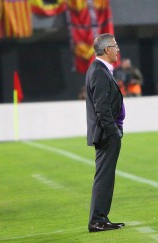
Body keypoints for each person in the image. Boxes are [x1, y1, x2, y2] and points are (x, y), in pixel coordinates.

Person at [85, 34, 125, 232]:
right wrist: (113, 132)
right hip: (106, 134)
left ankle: (101, 218)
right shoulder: (99, 72)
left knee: (106, 177)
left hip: (107, 133)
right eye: (115, 46)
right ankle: (97, 220)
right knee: (104, 178)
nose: (118, 49)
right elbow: (101, 107)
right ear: (107, 49)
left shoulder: (100, 70)